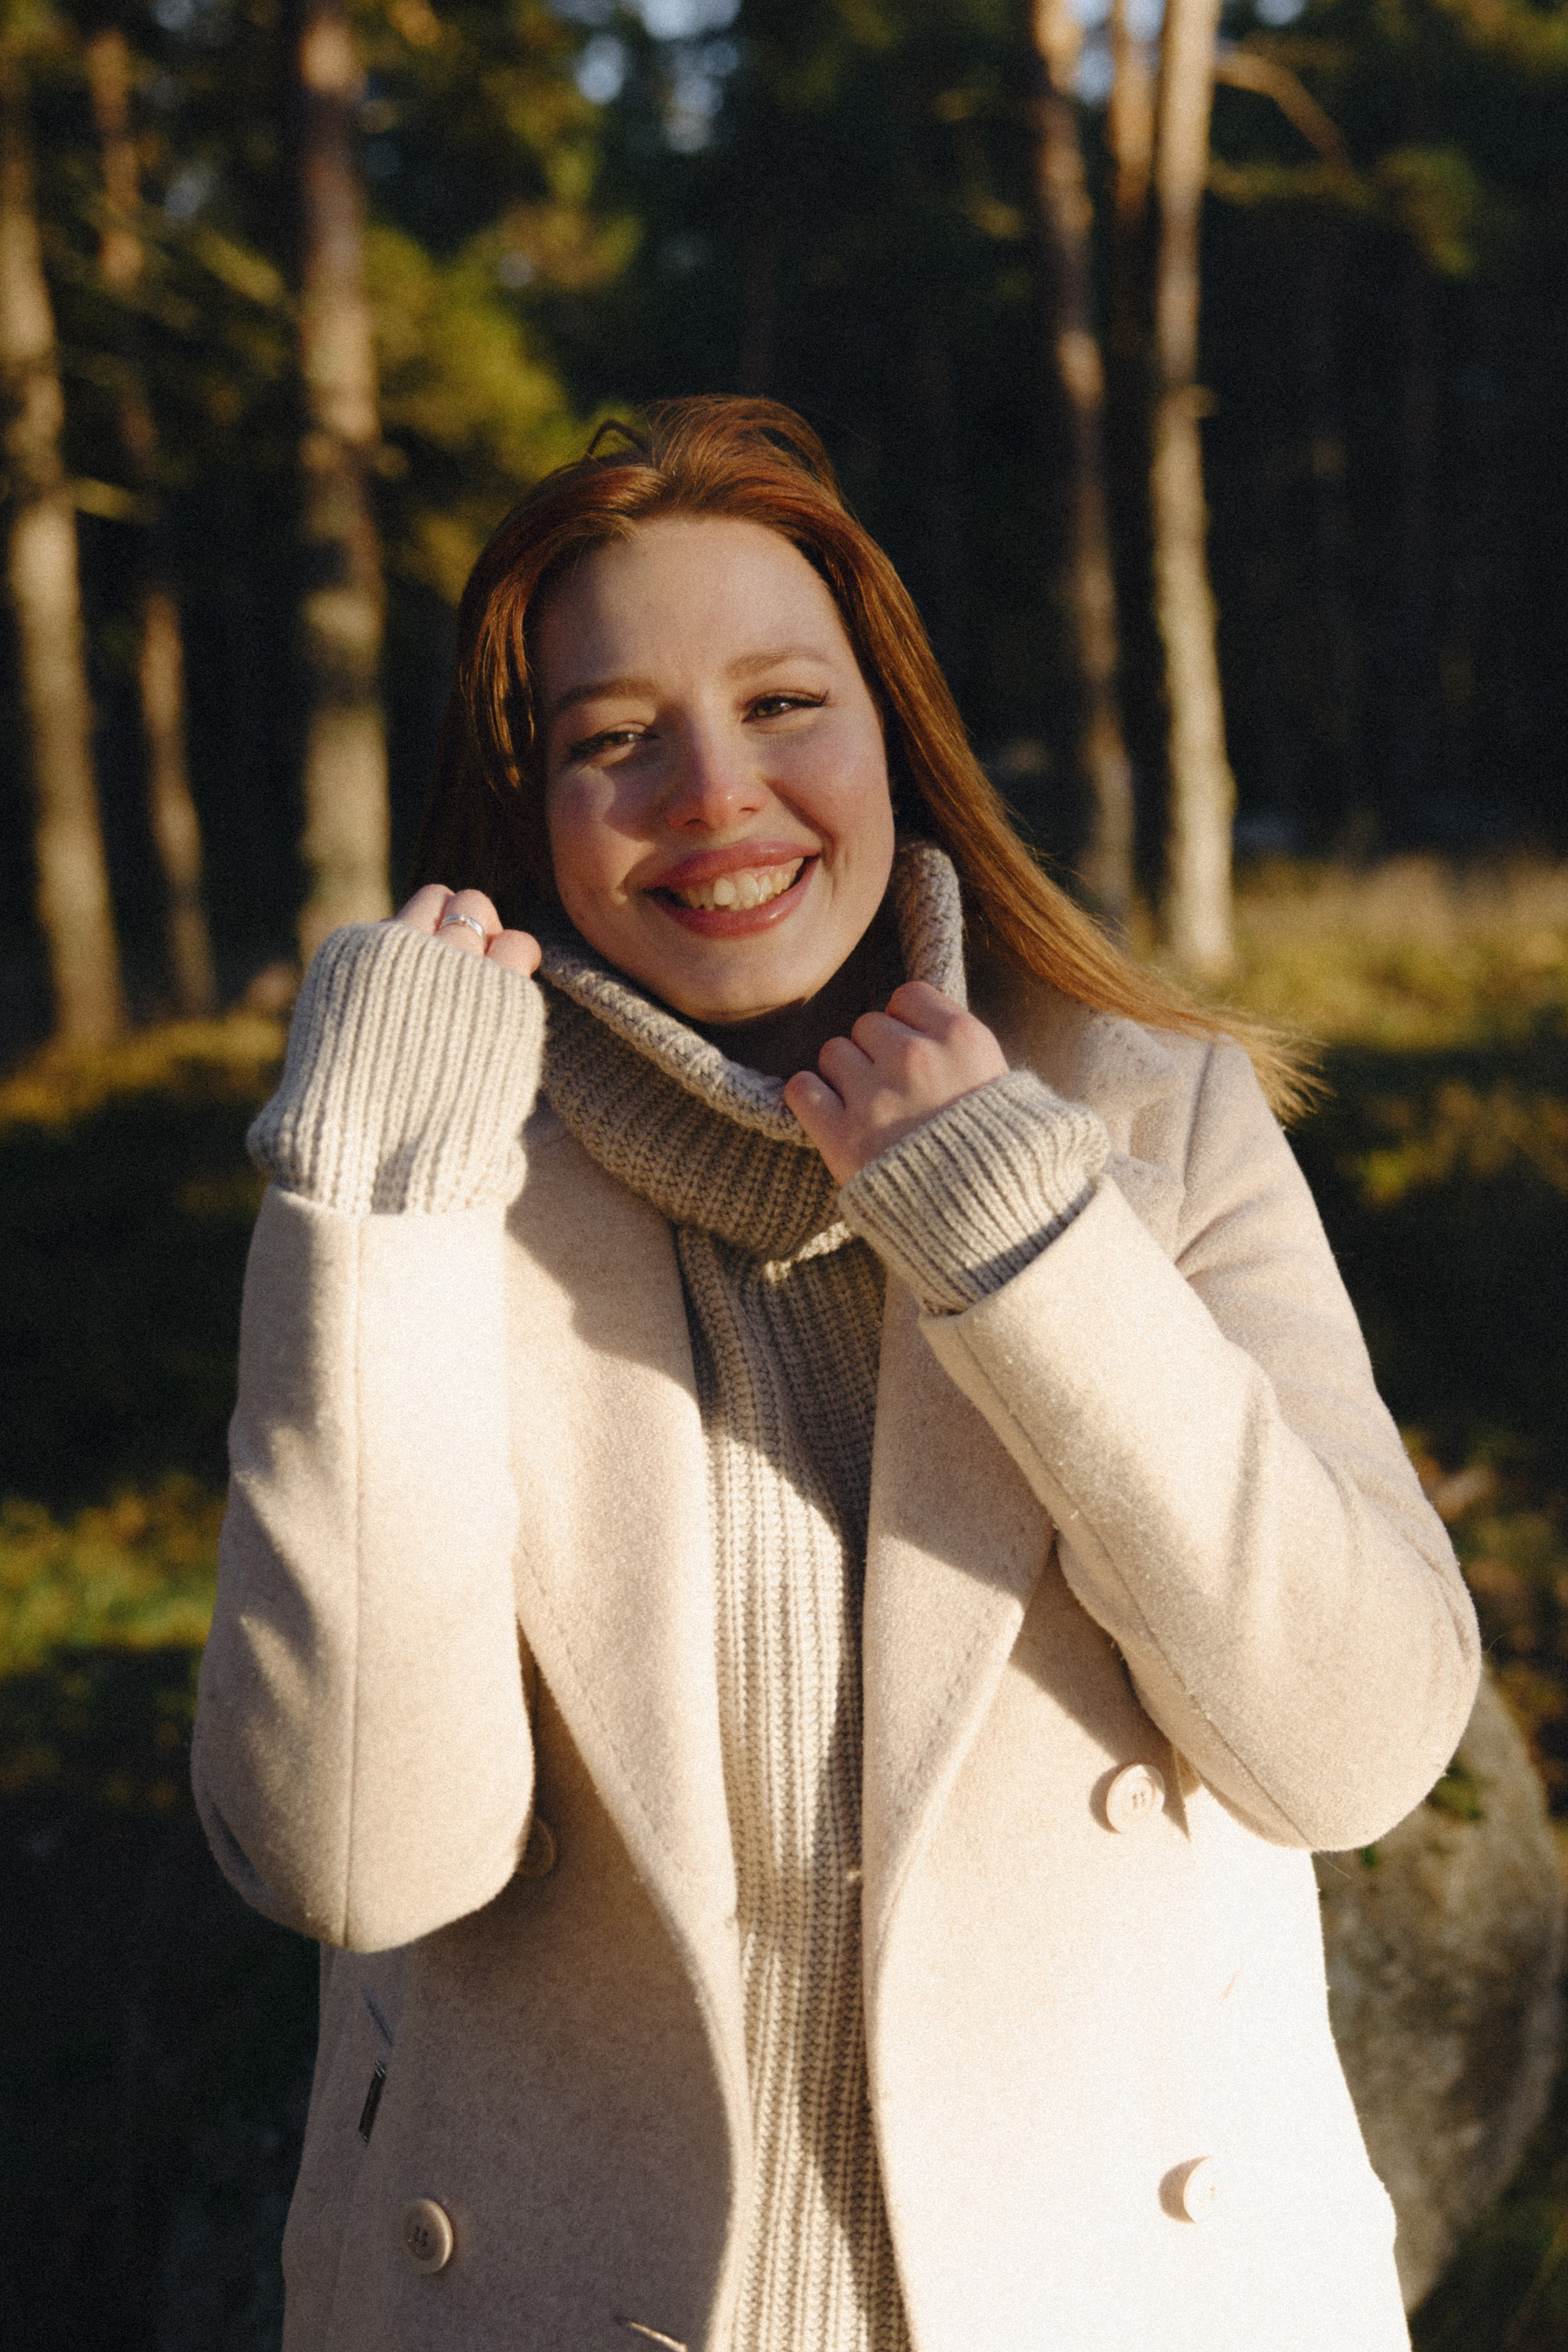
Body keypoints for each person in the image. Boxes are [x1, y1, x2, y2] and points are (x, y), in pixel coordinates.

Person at [193, 398, 1479, 2352]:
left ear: (896, 733)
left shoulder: (1153, 1120)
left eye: (786, 701)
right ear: (523, 810)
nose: (716, 789)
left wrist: (1021, 1242)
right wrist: (367, 1209)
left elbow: (1359, 1745)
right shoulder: (434, 1191)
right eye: (616, 739)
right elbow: (358, 1860)